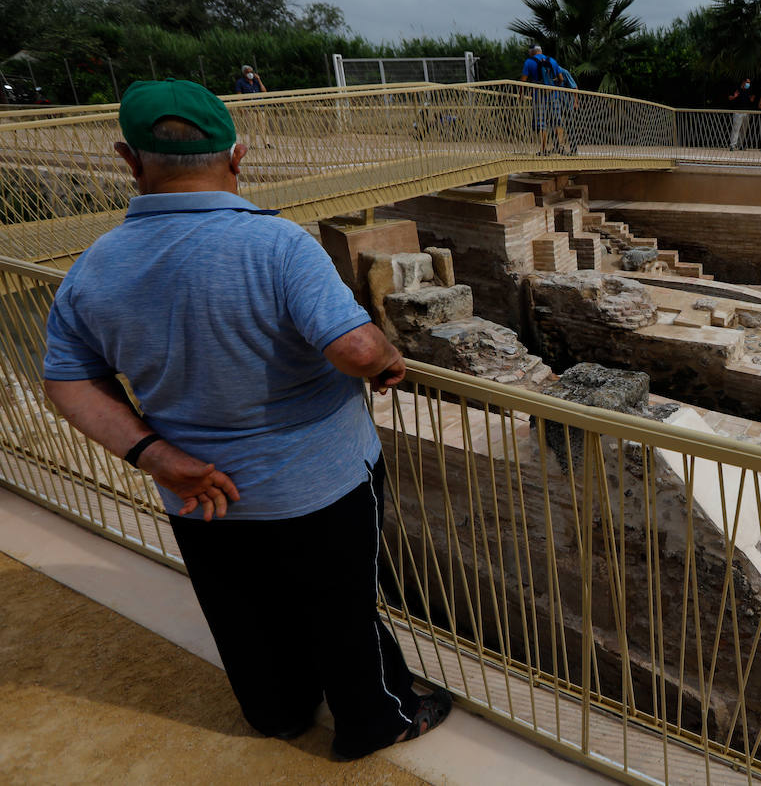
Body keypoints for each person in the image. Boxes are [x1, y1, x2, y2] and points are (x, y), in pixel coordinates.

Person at [40, 79, 452, 761]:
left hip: (197, 489)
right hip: (316, 482)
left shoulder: (92, 268)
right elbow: (352, 347)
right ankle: (378, 720)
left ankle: (278, 713)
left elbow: (67, 380)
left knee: (242, 611)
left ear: (128, 160)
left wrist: (150, 454)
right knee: (341, 609)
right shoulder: (277, 245)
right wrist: (385, 357)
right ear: (237, 157)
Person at [520, 44, 568, 155]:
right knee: (557, 121)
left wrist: (521, 95)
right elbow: (561, 78)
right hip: (553, 95)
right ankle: (560, 147)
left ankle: (543, 149)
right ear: (540, 51)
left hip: (539, 96)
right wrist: (554, 87)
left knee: (541, 123)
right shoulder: (552, 60)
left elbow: (523, 81)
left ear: (532, 52)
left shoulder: (529, 62)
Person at [725, 77, 754, 150]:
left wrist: (752, 99)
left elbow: (752, 100)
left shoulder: (749, 91)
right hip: (738, 112)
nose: (748, 84)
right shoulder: (737, 89)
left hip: (746, 112)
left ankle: (740, 145)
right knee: (736, 129)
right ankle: (733, 145)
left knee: (743, 130)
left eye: (749, 83)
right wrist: (735, 97)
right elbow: (729, 98)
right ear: (743, 82)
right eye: (747, 82)